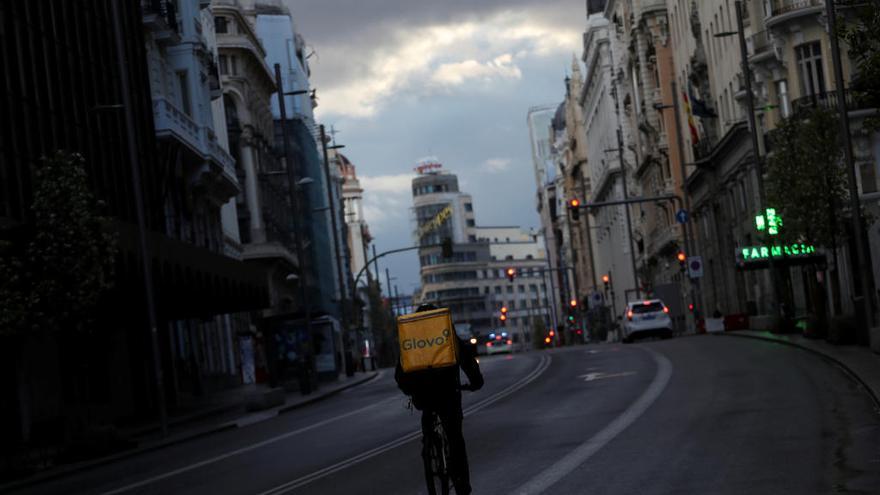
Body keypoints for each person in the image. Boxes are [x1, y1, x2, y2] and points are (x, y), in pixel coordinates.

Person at [395, 304, 484, 495]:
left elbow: (400, 372)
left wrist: (409, 390)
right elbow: (466, 359)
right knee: (454, 437)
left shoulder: (411, 340)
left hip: (423, 396)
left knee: (428, 420)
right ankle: (462, 483)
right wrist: (476, 382)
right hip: (448, 393)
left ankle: (429, 447)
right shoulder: (446, 335)